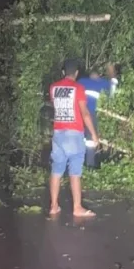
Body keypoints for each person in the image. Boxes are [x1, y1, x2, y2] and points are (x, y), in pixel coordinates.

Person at [49, 58, 100, 218]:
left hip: (58, 134)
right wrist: (94, 134)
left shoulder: (53, 88)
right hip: (74, 133)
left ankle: (54, 206)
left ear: (63, 72)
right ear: (76, 73)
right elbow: (85, 113)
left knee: (56, 170)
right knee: (75, 172)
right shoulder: (78, 88)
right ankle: (77, 208)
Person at [77, 69, 112, 168]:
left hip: (78, 113)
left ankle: (81, 164)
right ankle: (90, 165)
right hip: (91, 114)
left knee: (82, 139)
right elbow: (112, 91)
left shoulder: (81, 81)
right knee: (90, 141)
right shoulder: (102, 83)